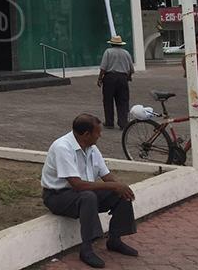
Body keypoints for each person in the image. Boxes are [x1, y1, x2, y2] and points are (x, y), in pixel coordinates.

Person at [42, 114, 138, 268]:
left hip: (81, 193)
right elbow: (77, 185)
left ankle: (115, 240)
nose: (100, 135)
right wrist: (113, 186)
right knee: (88, 197)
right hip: (57, 197)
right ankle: (86, 249)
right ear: (86, 134)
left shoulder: (92, 148)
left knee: (121, 194)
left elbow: (106, 175)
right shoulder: (62, 147)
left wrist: (120, 187)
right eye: (98, 132)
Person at [97, 36, 134, 130]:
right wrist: (128, 77)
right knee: (123, 101)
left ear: (111, 44)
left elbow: (103, 67)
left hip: (110, 78)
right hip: (122, 78)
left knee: (108, 101)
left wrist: (100, 78)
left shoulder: (108, 52)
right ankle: (123, 122)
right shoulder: (126, 53)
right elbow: (131, 69)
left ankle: (109, 122)